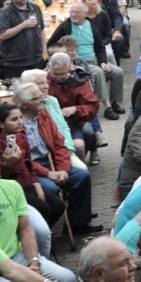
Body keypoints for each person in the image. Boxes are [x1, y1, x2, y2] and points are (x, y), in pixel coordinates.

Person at [11, 82, 97, 235]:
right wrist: (48, 173)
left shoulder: (43, 114)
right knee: (51, 188)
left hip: (51, 160)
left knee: (82, 176)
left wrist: (63, 169)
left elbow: (59, 143)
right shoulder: (16, 124)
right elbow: (24, 160)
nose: (43, 100)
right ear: (24, 105)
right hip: (32, 168)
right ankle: (44, 231)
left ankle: (78, 223)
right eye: (37, 98)